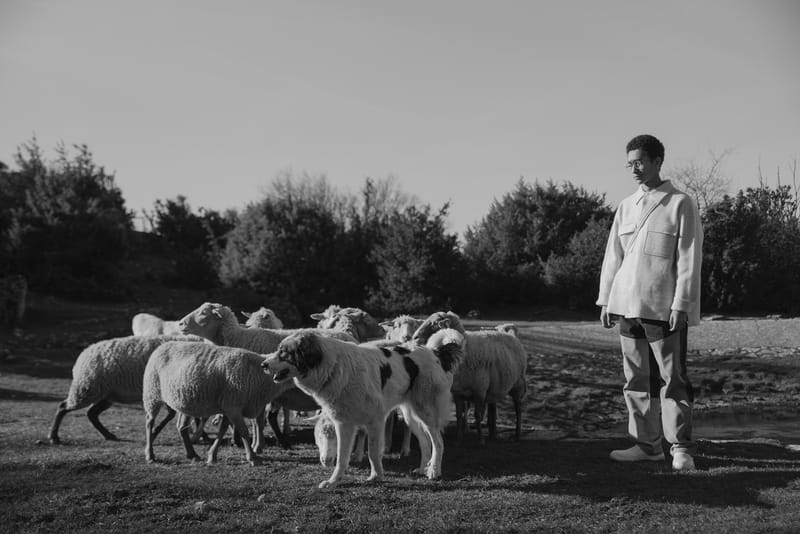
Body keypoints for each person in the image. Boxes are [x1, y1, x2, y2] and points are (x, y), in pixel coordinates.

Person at [596, 134, 703, 471]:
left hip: (662, 307)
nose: (634, 169)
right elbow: (613, 257)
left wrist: (681, 304)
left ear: (657, 161)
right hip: (626, 306)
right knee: (636, 380)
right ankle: (647, 445)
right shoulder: (625, 206)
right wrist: (606, 300)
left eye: (640, 162)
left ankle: (680, 448)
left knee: (673, 379)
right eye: (630, 163)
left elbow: (689, 258)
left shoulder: (680, 203)